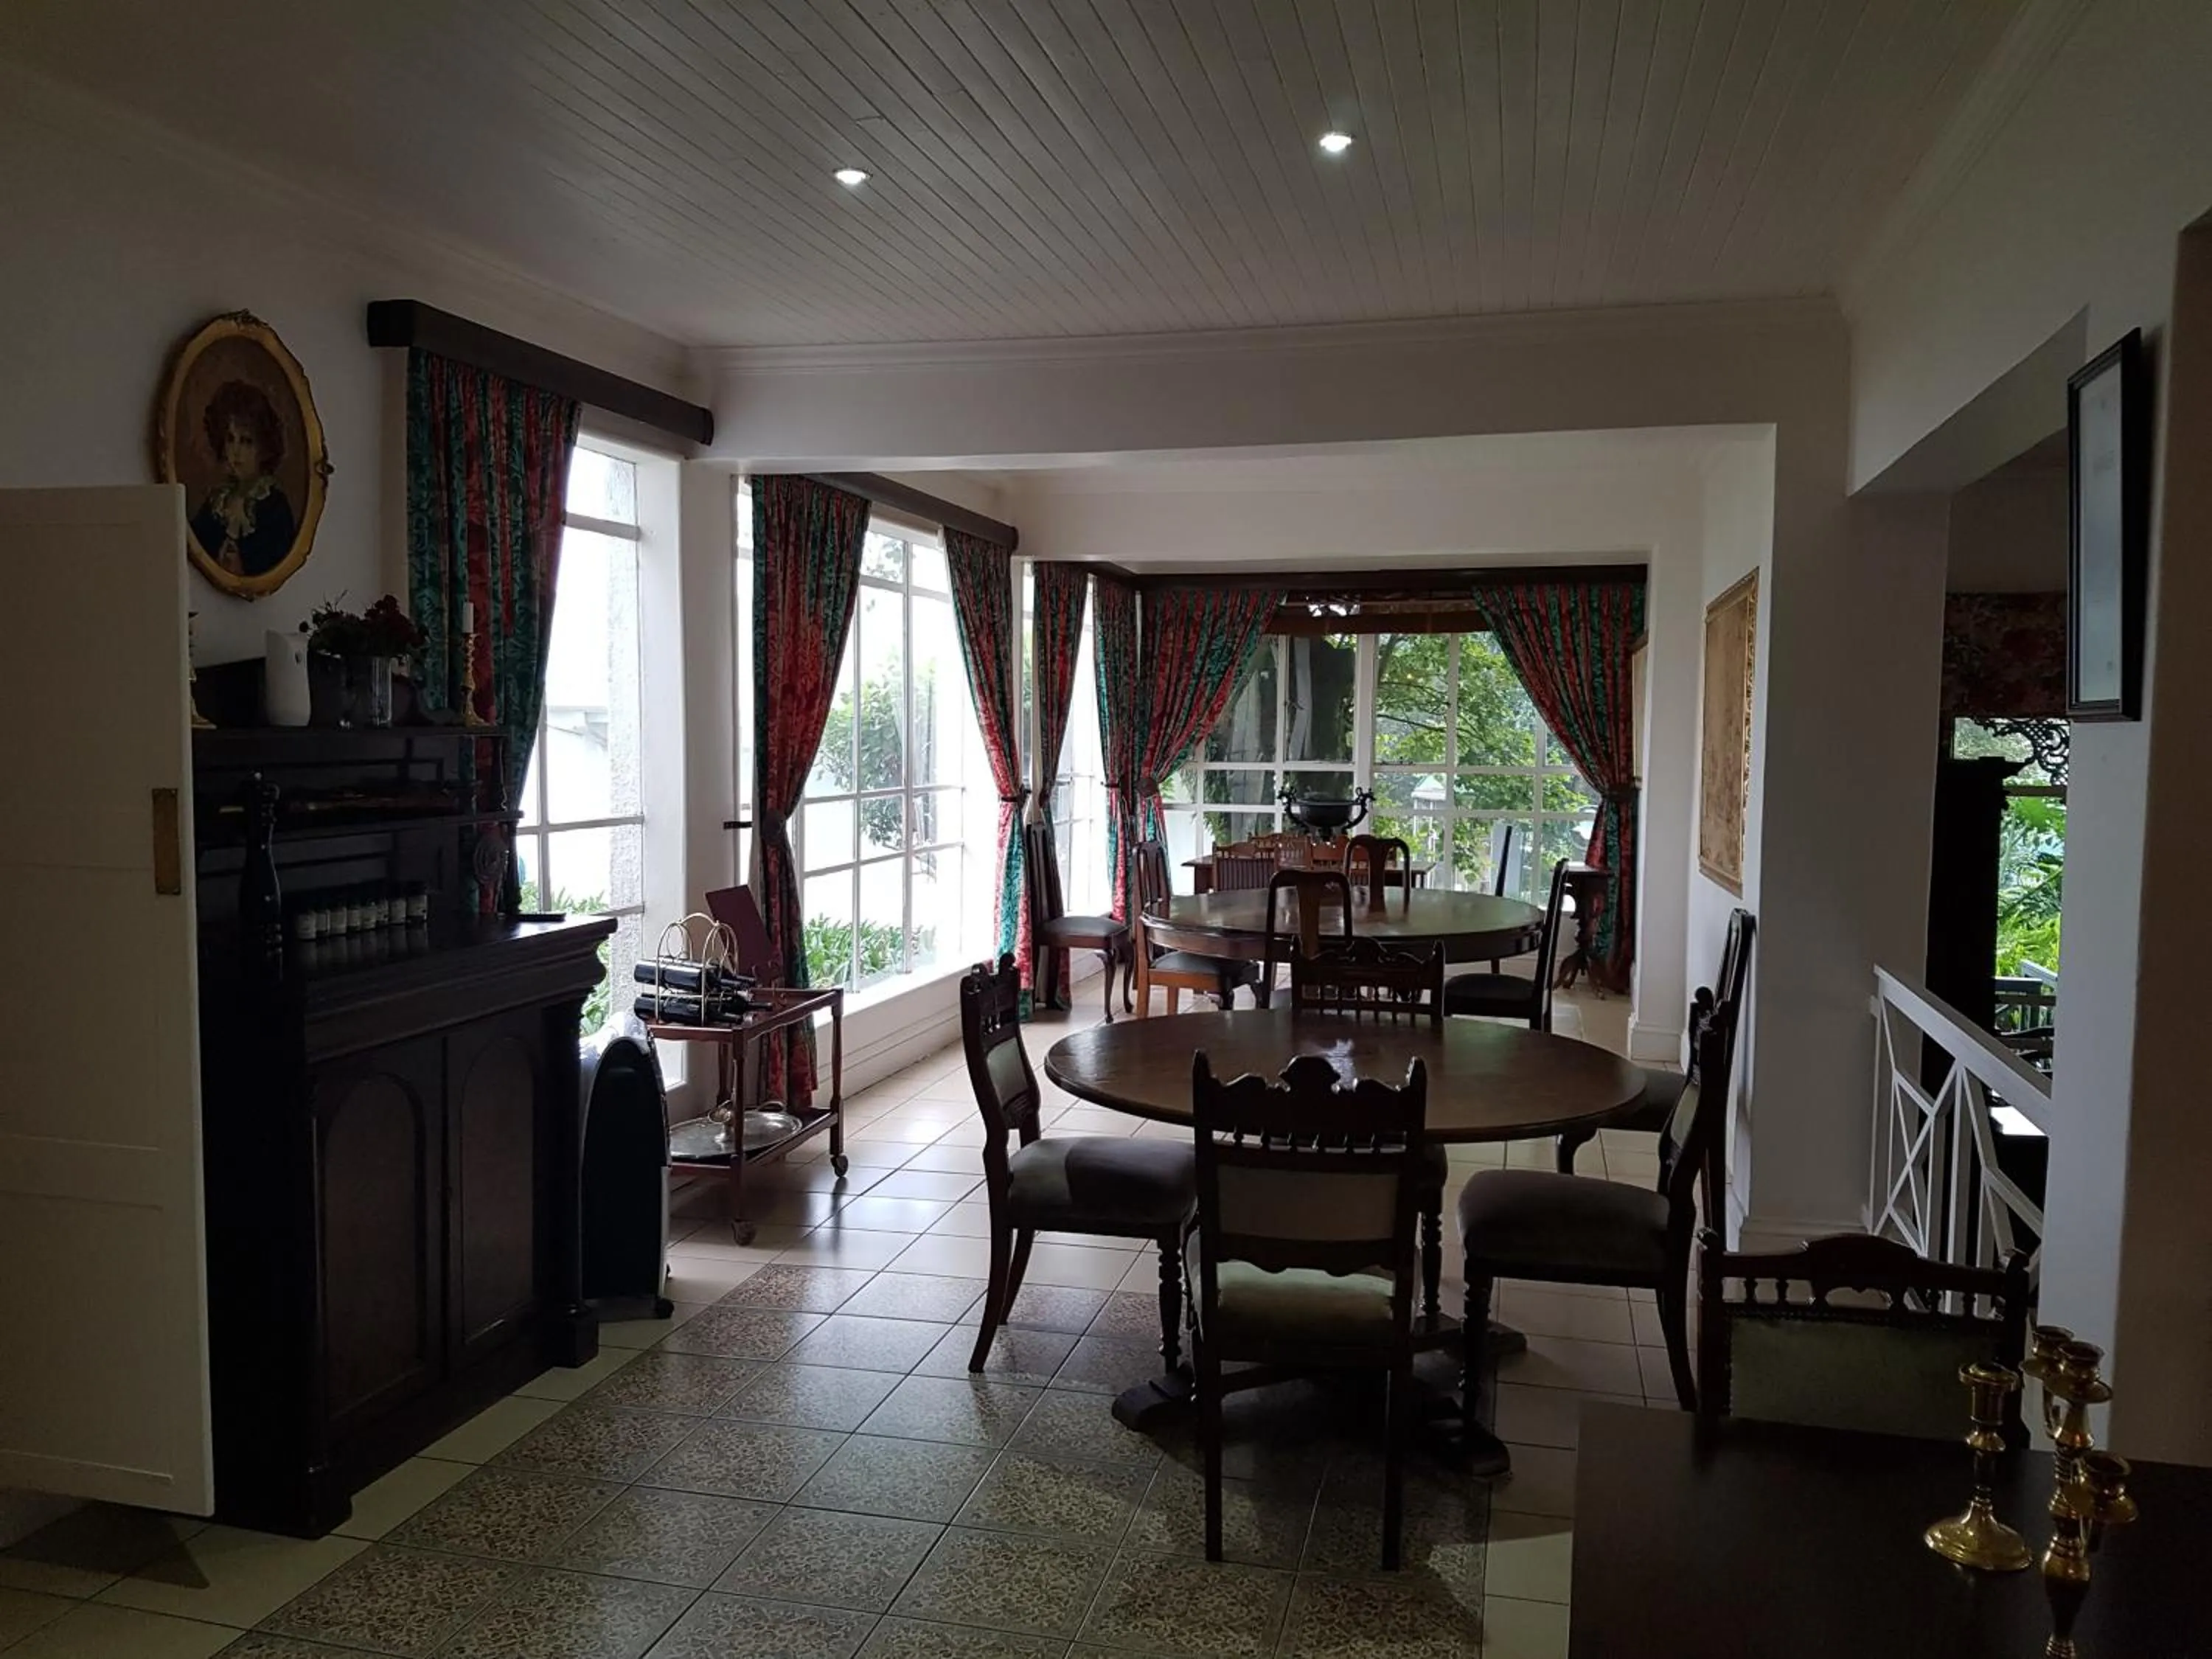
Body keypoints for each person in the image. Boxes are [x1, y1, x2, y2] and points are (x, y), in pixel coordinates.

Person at [190, 379, 296, 578]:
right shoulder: (216, 503)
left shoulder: (274, 507)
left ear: (264, 448)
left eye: (246, 442)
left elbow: (275, 564)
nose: (236, 451)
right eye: (231, 439)